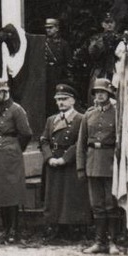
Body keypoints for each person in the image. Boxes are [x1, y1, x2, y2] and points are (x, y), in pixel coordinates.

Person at [0, 76, 34, 243]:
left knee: (11, 191)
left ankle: (13, 230)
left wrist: (15, 148)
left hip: (10, 152)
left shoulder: (16, 109)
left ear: (6, 92)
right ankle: (5, 228)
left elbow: (26, 133)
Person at [75, 78, 121, 254]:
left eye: (103, 92)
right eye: (97, 92)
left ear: (109, 94)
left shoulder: (117, 114)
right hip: (93, 162)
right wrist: (81, 167)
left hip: (111, 163)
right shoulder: (89, 115)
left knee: (111, 204)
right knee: (97, 204)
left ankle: (113, 242)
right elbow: (81, 143)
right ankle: (99, 241)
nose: (100, 95)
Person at [39, 83, 88, 240]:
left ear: (72, 101)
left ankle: (73, 228)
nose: (60, 103)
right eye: (58, 99)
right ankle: (55, 227)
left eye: (64, 99)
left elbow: (81, 142)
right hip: (53, 160)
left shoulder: (81, 119)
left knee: (70, 196)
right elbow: (44, 140)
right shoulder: (51, 120)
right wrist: (49, 158)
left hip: (70, 162)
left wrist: (65, 159)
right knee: (53, 196)